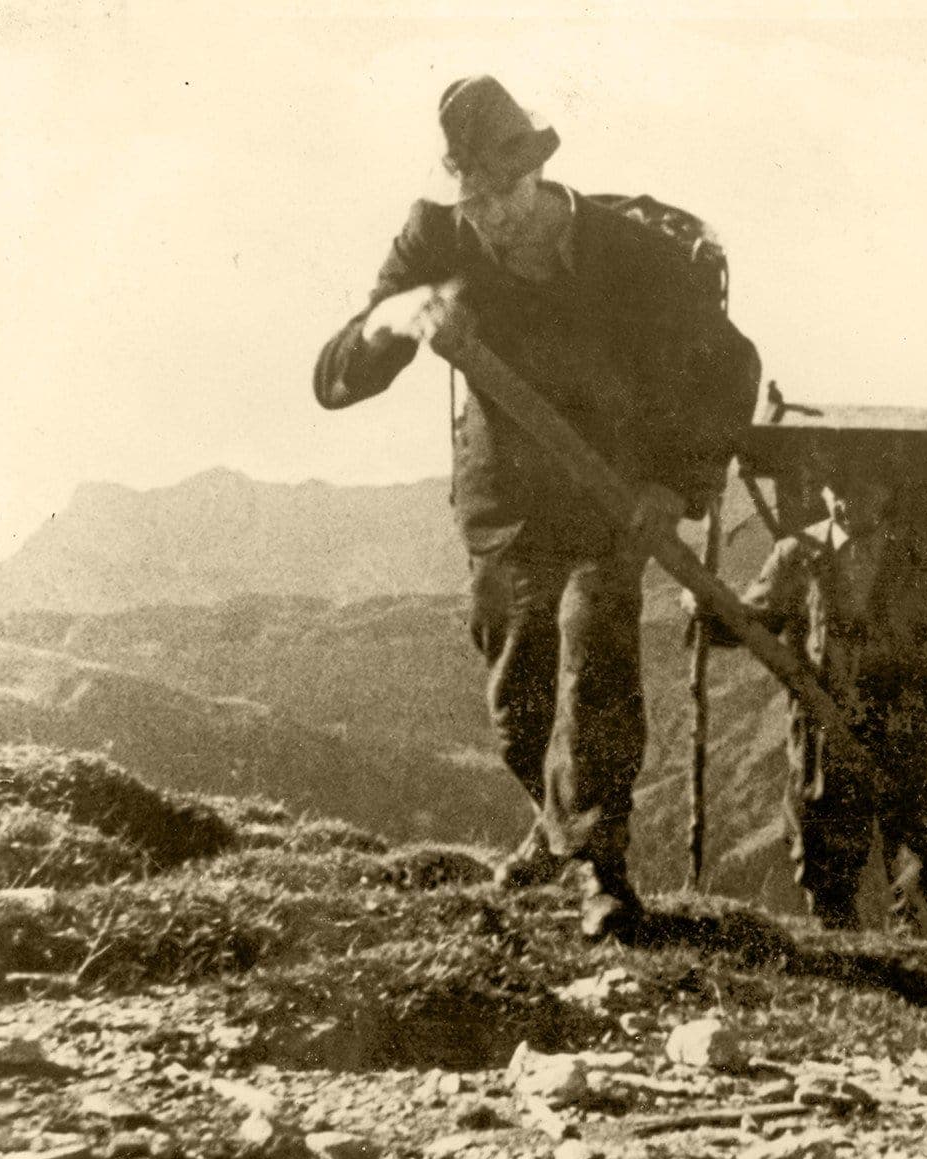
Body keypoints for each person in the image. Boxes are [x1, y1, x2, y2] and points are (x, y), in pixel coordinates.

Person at [312, 75, 758, 941]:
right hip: (507, 498)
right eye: (471, 198)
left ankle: (603, 869)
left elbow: (730, 372)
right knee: (517, 683)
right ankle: (553, 824)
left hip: (612, 491)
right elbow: (334, 378)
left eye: (505, 193)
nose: (491, 218)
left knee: (594, 643)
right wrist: (394, 319)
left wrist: (677, 485)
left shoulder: (633, 252)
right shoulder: (436, 238)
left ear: (540, 172)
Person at [705, 469, 927, 930]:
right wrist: (709, 609)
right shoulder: (798, 555)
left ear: (888, 491)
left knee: (917, 854)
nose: (848, 504)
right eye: (838, 490)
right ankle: (839, 949)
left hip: (901, 726)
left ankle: (916, 958)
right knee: (821, 848)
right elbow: (752, 621)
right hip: (825, 729)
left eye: (864, 489)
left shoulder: (915, 558)